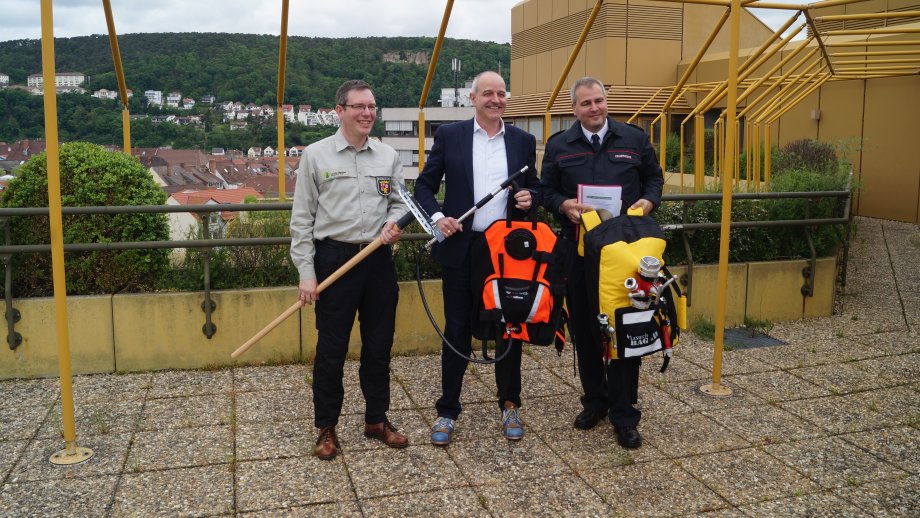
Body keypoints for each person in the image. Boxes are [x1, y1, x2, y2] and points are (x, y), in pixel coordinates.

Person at [414, 70, 541, 445]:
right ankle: (447, 411)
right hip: (460, 247)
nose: (496, 99)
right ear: (472, 98)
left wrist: (529, 198)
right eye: (488, 93)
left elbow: (534, 186)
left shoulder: (522, 140)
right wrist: (438, 218)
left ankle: (510, 403)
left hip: (506, 252)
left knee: (508, 327)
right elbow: (424, 185)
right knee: (456, 329)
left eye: (502, 93)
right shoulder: (450, 136)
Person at [540, 76, 663, 449]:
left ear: (606, 101)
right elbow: (545, 190)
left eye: (598, 101)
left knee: (625, 330)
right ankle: (595, 401)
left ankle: (625, 414)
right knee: (586, 329)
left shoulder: (634, 139)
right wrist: (563, 205)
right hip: (578, 254)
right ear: (574, 109)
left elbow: (654, 180)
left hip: (624, 254)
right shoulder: (559, 144)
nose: (594, 108)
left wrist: (648, 203)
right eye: (585, 103)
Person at [290, 79, 409, 460]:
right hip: (334, 261)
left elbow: (399, 203)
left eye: (371, 107)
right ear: (339, 110)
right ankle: (326, 427)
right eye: (358, 107)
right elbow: (301, 220)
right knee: (331, 351)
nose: (367, 113)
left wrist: (394, 224)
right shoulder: (316, 155)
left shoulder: (387, 156)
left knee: (379, 347)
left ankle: (376, 420)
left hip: (376, 260)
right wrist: (307, 273)